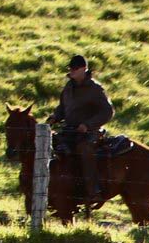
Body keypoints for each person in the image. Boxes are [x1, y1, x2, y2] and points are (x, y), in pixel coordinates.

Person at [47, 54, 115, 207]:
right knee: (53, 146)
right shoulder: (68, 87)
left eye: (75, 68)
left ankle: (94, 191)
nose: (72, 71)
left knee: (84, 149)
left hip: (91, 132)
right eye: (71, 68)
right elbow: (62, 108)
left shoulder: (95, 89)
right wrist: (54, 117)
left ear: (84, 69)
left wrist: (88, 125)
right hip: (69, 131)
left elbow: (107, 111)